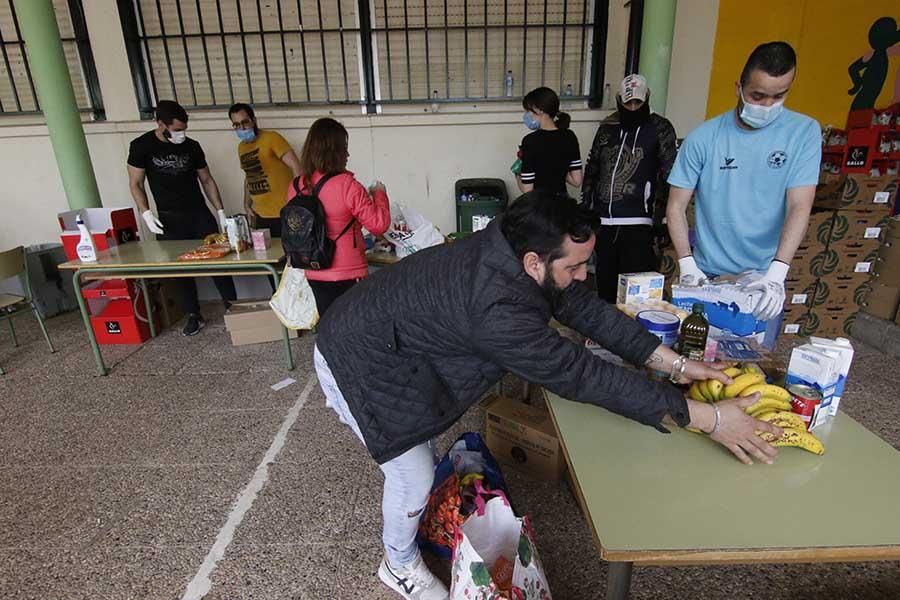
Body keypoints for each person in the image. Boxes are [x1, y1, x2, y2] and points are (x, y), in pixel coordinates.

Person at [314, 191, 782, 600]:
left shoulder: (520, 241)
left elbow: (585, 309)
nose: (582, 275)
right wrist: (711, 419)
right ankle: (398, 564)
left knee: (420, 441)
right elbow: (579, 373)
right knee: (411, 473)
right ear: (534, 264)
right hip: (356, 356)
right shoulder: (495, 308)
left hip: (393, 334)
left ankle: (414, 515)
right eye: (574, 266)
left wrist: (678, 364)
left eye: (585, 263)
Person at [667, 41, 821, 320]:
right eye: (758, 95)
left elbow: (800, 206)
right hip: (708, 273)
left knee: (753, 359)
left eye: (778, 96)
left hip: (762, 277)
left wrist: (777, 273)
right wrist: (687, 264)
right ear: (739, 87)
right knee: (697, 352)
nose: (767, 106)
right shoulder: (704, 138)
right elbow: (675, 207)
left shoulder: (803, 133)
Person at [127, 100, 236, 336]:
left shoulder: (192, 146)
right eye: (176, 130)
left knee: (219, 262)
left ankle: (233, 307)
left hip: (198, 213)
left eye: (183, 129)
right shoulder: (141, 146)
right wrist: (146, 213)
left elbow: (206, 179)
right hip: (168, 218)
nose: (181, 134)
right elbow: (136, 183)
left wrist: (220, 211)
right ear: (160, 124)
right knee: (179, 270)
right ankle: (193, 314)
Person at [582, 74, 678, 303]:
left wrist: (664, 218)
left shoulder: (659, 128)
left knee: (637, 288)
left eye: (637, 102)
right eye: (628, 102)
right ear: (618, 100)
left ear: (647, 99)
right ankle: (604, 333)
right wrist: (586, 206)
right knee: (604, 283)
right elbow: (593, 165)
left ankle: (632, 334)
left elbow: (670, 173)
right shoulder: (607, 128)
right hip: (604, 221)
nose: (633, 107)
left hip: (639, 222)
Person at [291, 117, 391, 316]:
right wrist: (379, 193)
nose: (347, 154)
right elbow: (378, 225)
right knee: (353, 327)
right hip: (348, 270)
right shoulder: (348, 185)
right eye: (343, 148)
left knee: (329, 324)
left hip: (312, 268)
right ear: (334, 152)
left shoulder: (296, 186)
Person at [229, 102, 301, 237]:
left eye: (245, 122)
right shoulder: (241, 148)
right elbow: (249, 175)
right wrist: (246, 203)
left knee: (289, 255)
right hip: (261, 215)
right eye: (237, 125)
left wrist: (298, 201)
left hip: (284, 213)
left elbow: (296, 167)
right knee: (268, 256)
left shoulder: (272, 138)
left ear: (254, 120)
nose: (242, 128)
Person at [517, 87, 583, 195]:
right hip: (563, 205)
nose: (527, 115)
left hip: (540, 207)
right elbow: (577, 181)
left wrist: (518, 175)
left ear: (538, 109)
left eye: (528, 111)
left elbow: (527, 191)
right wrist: (558, 166)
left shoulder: (530, 141)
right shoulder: (570, 136)